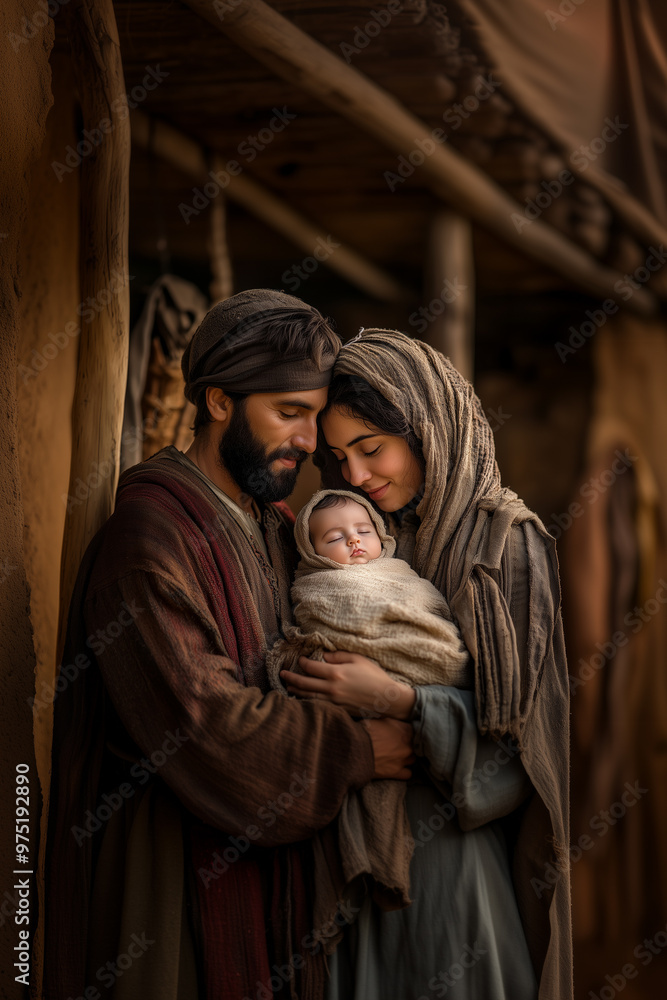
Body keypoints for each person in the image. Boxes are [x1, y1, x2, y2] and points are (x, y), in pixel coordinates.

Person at [44, 292, 414, 1000]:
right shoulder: (148, 540)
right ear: (218, 401)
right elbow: (211, 731)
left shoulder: (279, 527)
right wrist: (363, 751)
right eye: (289, 413)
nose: (309, 441)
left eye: (314, 416)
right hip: (169, 888)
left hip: (271, 883)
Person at [283, 329, 573, 1000]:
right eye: (337, 456)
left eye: (371, 449)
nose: (354, 476)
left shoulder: (504, 546)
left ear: (427, 429)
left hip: (451, 865)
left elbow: (524, 756)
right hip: (351, 853)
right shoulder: (347, 537)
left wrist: (399, 701)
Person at [266, 488, 470, 946]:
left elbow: (433, 621)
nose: (354, 542)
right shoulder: (317, 585)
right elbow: (328, 623)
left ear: (382, 535)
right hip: (359, 723)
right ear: (311, 553)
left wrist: (413, 679)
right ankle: (371, 871)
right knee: (369, 805)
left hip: (413, 699)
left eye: (363, 531)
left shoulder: (403, 575)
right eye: (334, 538)